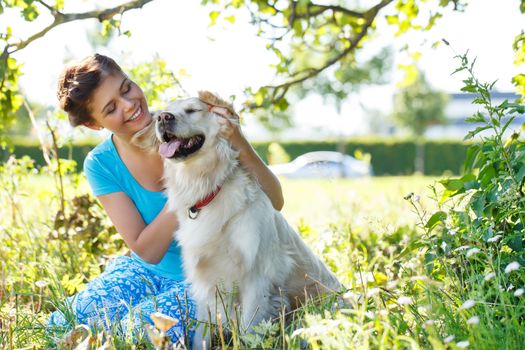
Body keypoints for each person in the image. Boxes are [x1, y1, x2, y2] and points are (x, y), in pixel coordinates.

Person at [48, 53, 284, 346]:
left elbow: (275, 200)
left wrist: (237, 139)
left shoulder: (188, 124)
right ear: (95, 125)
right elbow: (147, 251)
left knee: (136, 332)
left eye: (126, 88)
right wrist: (191, 192)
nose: (129, 104)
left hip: (209, 275)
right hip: (147, 270)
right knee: (61, 323)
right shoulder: (102, 163)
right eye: (111, 108)